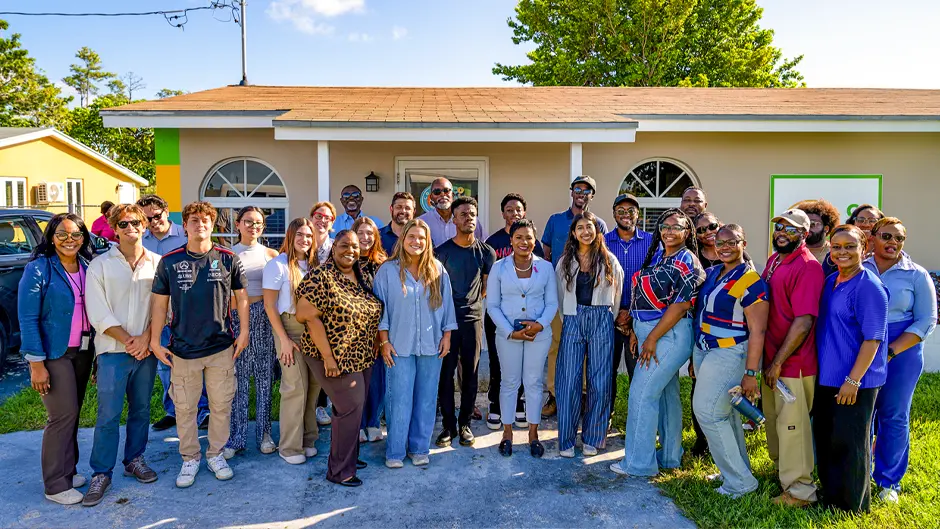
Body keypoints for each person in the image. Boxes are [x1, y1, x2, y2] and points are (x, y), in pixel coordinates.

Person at [150, 201, 249, 488]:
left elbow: (242, 298)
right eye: (194, 220)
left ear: (213, 224)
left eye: (205, 220)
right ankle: (190, 458)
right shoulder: (170, 261)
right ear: (185, 225)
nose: (200, 224)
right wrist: (155, 340)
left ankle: (216, 453)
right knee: (185, 408)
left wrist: (244, 332)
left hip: (221, 347)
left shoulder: (228, 258)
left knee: (221, 405)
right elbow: (160, 304)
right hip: (183, 349)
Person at [611, 209, 703, 476]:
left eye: (677, 226)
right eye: (665, 226)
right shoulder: (662, 257)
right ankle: (671, 457)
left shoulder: (687, 260)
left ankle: (638, 463)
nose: (669, 231)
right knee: (666, 395)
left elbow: (680, 305)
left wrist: (651, 338)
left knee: (641, 394)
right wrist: (636, 331)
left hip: (668, 335)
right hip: (652, 332)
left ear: (688, 231)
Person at [82, 204, 160, 507]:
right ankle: (101, 472)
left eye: (136, 222)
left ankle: (134, 459)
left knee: (141, 409)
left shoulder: (157, 263)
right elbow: (97, 311)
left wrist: (146, 338)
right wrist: (130, 340)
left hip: (146, 350)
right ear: (114, 229)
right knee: (108, 415)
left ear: (144, 226)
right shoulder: (99, 265)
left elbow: (163, 308)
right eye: (124, 224)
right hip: (113, 352)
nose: (131, 228)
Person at [295, 230, 383, 487]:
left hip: (361, 354)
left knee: (353, 408)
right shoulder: (321, 276)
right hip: (331, 355)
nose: (350, 251)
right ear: (334, 248)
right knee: (350, 407)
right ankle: (340, 471)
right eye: (344, 245)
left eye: (355, 247)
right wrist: (328, 359)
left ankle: (349, 456)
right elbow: (306, 315)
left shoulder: (360, 274)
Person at [18, 213, 95, 505]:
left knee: (73, 413)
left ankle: (69, 470)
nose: (69, 240)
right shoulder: (39, 268)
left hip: (83, 351)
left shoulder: (87, 266)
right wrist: (36, 364)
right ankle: (55, 484)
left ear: (83, 238)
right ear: (51, 237)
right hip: (53, 353)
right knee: (62, 415)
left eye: (76, 234)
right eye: (62, 234)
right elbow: (27, 317)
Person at [814, 224, 889, 513]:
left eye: (850, 246)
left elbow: (873, 339)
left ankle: (851, 506)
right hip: (828, 376)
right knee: (828, 438)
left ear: (864, 249)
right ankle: (831, 496)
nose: (842, 252)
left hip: (856, 380)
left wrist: (853, 380)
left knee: (851, 443)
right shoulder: (831, 280)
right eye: (836, 246)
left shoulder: (868, 286)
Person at [691, 224, 768, 498]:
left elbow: (758, 330)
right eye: (720, 242)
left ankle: (740, 483)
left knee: (708, 413)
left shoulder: (750, 279)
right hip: (706, 349)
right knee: (726, 414)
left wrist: (751, 373)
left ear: (743, 243)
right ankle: (736, 471)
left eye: (732, 242)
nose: (725, 247)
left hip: (730, 352)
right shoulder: (714, 273)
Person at [374, 219, 457, 468]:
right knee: (399, 399)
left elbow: (447, 305)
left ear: (428, 241)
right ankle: (395, 452)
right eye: (412, 237)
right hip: (398, 345)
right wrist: (384, 341)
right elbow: (380, 309)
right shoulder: (387, 271)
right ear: (403, 239)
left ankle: (419, 448)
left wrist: (447, 336)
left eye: (421, 238)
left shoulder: (437, 270)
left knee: (427, 398)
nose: (416, 241)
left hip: (432, 345)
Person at [864, 217, 937, 503]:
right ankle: (859, 472)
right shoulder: (860, 267)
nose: (893, 242)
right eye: (886, 236)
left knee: (893, 414)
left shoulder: (916, 274)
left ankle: (888, 481)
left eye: (899, 238)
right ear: (872, 238)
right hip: (861, 347)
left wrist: (891, 351)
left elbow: (926, 320)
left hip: (902, 351)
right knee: (862, 413)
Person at [760, 209, 824, 508]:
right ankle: (782, 474)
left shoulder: (808, 267)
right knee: (774, 420)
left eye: (791, 229)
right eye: (779, 227)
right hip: (771, 358)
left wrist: (778, 362)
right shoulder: (775, 260)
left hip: (793, 364)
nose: (782, 232)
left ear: (805, 233)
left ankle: (801, 491)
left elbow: (804, 321)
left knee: (792, 427)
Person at [137, 194, 209, 432]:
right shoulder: (141, 239)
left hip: (187, 311)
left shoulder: (186, 233)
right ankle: (173, 410)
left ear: (167, 212)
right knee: (165, 364)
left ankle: (203, 410)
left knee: (195, 361)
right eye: (146, 219)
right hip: (157, 311)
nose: (152, 222)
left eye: (156, 216)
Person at [555, 211, 624, 458]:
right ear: (574, 233)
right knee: (568, 379)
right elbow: (560, 296)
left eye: (590, 227)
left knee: (600, 380)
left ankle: (592, 438)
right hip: (573, 318)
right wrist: (570, 318)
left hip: (602, 318)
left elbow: (617, 295)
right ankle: (566, 439)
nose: (586, 231)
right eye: (580, 227)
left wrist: (605, 319)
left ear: (597, 231)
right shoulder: (565, 262)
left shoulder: (609, 261)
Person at [486, 219, 557, 457]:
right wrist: (510, 331)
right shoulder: (499, 267)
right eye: (519, 237)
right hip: (508, 335)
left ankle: (533, 435)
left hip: (539, 334)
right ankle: (507, 434)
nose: (524, 242)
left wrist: (539, 325)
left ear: (535, 241)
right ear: (511, 241)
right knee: (509, 382)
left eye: (528, 238)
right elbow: (492, 305)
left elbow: (552, 303)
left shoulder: (545, 268)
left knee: (533, 382)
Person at [541, 175, 608, 418]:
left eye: (587, 190)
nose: (582, 193)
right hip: (559, 293)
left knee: (586, 349)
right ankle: (554, 394)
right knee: (557, 345)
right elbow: (546, 254)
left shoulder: (598, 223)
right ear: (571, 192)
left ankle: (582, 395)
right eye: (578, 188)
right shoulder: (556, 220)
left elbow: (602, 256)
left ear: (592, 195)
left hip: (588, 296)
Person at [434, 196, 496, 448]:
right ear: (454, 220)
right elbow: (436, 290)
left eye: (472, 214)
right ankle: (448, 426)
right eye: (463, 214)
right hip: (447, 322)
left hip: (473, 320)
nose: (468, 218)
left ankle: (465, 424)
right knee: (445, 374)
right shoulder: (441, 252)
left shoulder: (486, 252)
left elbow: (485, 287)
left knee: (470, 374)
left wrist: (472, 305)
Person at [262, 218, 322, 465]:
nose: (304, 240)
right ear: (290, 236)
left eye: (308, 235)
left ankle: (308, 439)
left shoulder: (316, 265)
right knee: (295, 387)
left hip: (315, 330)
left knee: (314, 386)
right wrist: (284, 340)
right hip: (289, 328)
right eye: (300, 235)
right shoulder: (278, 265)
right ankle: (289, 447)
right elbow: (269, 306)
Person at [484, 193, 544, 429]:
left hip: (526, 314)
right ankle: (495, 404)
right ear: (503, 214)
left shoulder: (534, 243)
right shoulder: (493, 242)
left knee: (523, 362)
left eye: (518, 209)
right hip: (499, 312)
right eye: (509, 210)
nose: (514, 213)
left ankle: (519, 403)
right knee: (498, 360)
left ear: (524, 212)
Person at [223, 207, 279, 459]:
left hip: (265, 317)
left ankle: (264, 434)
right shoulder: (226, 254)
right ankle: (236, 437)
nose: (253, 226)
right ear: (237, 224)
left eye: (258, 223)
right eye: (248, 222)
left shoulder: (271, 254)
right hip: (236, 319)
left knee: (265, 378)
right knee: (239, 379)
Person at [603, 194, 652, 415]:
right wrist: (616, 312)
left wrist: (631, 312)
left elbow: (653, 281)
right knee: (606, 372)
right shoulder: (602, 241)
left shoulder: (651, 242)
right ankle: (606, 416)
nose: (626, 215)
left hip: (639, 318)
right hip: (608, 317)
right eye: (620, 211)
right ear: (614, 214)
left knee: (638, 371)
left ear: (638, 214)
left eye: (631, 210)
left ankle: (637, 418)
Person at [353, 216, 389, 443]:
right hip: (352, 334)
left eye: (370, 233)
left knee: (376, 380)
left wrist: (381, 334)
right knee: (356, 382)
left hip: (378, 331)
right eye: (361, 233)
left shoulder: (383, 264)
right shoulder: (346, 261)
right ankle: (357, 424)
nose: (365, 237)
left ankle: (373, 422)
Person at [309, 201, 337, 424]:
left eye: (327, 217)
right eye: (318, 215)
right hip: (305, 310)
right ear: (311, 217)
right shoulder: (302, 243)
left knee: (329, 357)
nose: (322, 220)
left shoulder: (336, 247)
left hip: (331, 312)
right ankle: (309, 407)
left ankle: (323, 405)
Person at [418, 177, 483, 247]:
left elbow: (482, 244)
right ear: (431, 197)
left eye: (446, 190)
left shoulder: (471, 220)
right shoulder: (422, 222)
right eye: (437, 192)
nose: (442, 194)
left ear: (453, 195)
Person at [792, 199, 840, 278]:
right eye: (804, 224)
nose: (807, 228)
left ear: (826, 228)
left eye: (812, 224)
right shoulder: (791, 251)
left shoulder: (835, 252)